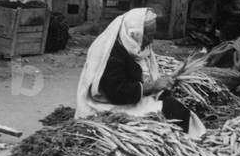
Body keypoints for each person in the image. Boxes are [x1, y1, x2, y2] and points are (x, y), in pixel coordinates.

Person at [75, 8, 204, 137]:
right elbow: (116, 92)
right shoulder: (110, 53)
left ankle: (187, 137)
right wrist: (152, 87)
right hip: (106, 103)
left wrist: (157, 85)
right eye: (149, 35)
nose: (151, 40)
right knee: (174, 110)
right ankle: (182, 141)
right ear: (135, 33)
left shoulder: (130, 44)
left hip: (125, 95)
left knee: (172, 103)